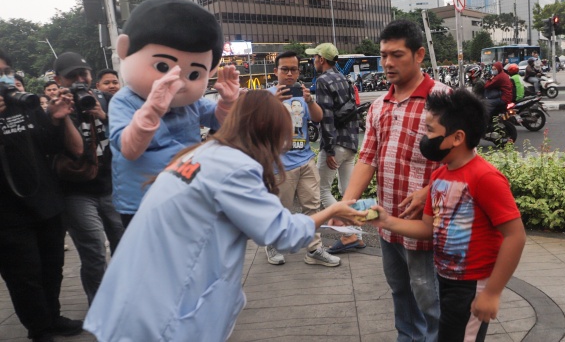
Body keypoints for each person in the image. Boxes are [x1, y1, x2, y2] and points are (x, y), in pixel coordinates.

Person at [84, 90, 367, 342]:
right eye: (284, 131)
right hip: (167, 309)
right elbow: (282, 233)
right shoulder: (234, 167)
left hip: (140, 293)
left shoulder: (205, 152)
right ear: (266, 130)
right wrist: (332, 211)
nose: (286, 140)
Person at [371, 89, 526, 342]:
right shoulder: (439, 176)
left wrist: (492, 293)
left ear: (457, 138)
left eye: (430, 131)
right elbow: (427, 229)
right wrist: (387, 221)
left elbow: (515, 236)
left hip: (473, 286)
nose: (424, 137)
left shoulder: (485, 178)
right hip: (446, 280)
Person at [342, 20, 451, 342]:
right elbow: (367, 158)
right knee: (400, 290)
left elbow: (463, 164)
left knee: (430, 297)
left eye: (397, 54)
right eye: (384, 55)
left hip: (426, 223)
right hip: (386, 218)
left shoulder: (443, 100)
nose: (388, 63)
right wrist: (346, 202)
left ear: (419, 55)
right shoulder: (379, 105)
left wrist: (430, 191)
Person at [108, 0, 240, 227]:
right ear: (125, 50)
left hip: (186, 194)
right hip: (142, 202)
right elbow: (129, 149)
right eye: (162, 67)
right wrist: (153, 109)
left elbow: (223, 122)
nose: (179, 81)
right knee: (146, 260)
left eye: (193, 74)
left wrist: (228, 103)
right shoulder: (125, 101)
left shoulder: (191, 103)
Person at [0, 48, 85, 342]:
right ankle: (39, 328)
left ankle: (52, 316)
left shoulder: (26, 105)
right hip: (7, 217)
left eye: (4, 71)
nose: (3, 79)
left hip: (46, 205)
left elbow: (52, 145)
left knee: (52, 268)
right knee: (25, 277)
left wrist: (58, 118)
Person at [53, 52, 125, 305]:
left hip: (111, 186)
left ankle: (123, 297)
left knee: (124, 244)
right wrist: (62, 115)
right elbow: (74, 150)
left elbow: (127, 135)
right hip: (76, 191)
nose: (79, 80)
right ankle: (101, 307)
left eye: (83, 74)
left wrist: (102, 115)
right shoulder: (56, 109)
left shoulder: (108, 101)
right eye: (71, 76)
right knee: (94, 251)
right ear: (58, 80)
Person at [264, 51, 339, 267]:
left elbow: (317, 118)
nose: (289, 74)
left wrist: (310, 100)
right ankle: (273, 244)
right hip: (280, 164)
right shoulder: (266, 95)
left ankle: (314, 249)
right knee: (281, 209)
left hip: (305, 159)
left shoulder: (303, 93)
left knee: (312, 206)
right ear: (276, 71)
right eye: (284, 69)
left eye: (294, 69)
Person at [305, 43, 363, 254]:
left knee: (322, 191)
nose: (313, 61)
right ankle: (357, 234)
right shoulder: (344, 79)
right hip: (350, 142)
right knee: (348, 193)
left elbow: (326, 119)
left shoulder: (322, 81)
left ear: (321, 59)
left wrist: (328, 150)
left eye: (315, 57)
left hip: (335, 144)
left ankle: (349, 235)